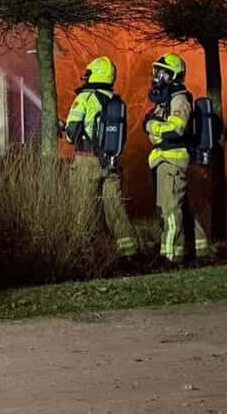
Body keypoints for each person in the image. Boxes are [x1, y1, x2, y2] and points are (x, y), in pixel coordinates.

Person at [63, 56, 139, 256]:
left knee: (82, 209)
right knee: (115, 209)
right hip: (111, 162)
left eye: (87, 74)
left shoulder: (85, 98)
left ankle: (81, 256)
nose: (84, 78)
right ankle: (130, 252)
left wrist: (63, 129)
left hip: (86, 162)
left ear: (94, 75)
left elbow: (72, 135)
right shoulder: (116, 102)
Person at [145, 53, 212, 263]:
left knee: (170, 210)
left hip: (172, 160)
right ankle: (200, 251)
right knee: (181, 207)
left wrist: (152, 126)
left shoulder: (179, 98)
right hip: (164, 159)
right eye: (157, 71)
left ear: (173, 75)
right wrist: (153, 127)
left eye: (162, 72)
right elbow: (153, 127)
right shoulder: (166, 100)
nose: (157, 76)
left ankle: (172, 255)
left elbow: (176, 129)